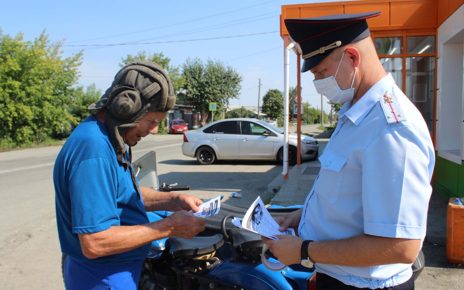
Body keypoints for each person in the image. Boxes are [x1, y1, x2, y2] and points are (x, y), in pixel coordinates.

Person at [262, 12, 435, 290]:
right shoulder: (355, 114)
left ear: (352, 58)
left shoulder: (392, 129)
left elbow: (401, 246)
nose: (317, 83)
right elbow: (345, 198)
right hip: (338, 277)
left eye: (321, 73)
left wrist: (304, 250)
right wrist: (301, 218)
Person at [54, 61, 206, 290]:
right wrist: (169, 227)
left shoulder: (111, 139)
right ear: (128, 109)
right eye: (152, 121)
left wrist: (172, 200)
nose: (154, 129)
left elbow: (120, 194)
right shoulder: (94, 149)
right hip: (102, 276)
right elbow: (94, 242)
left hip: (116, 270)